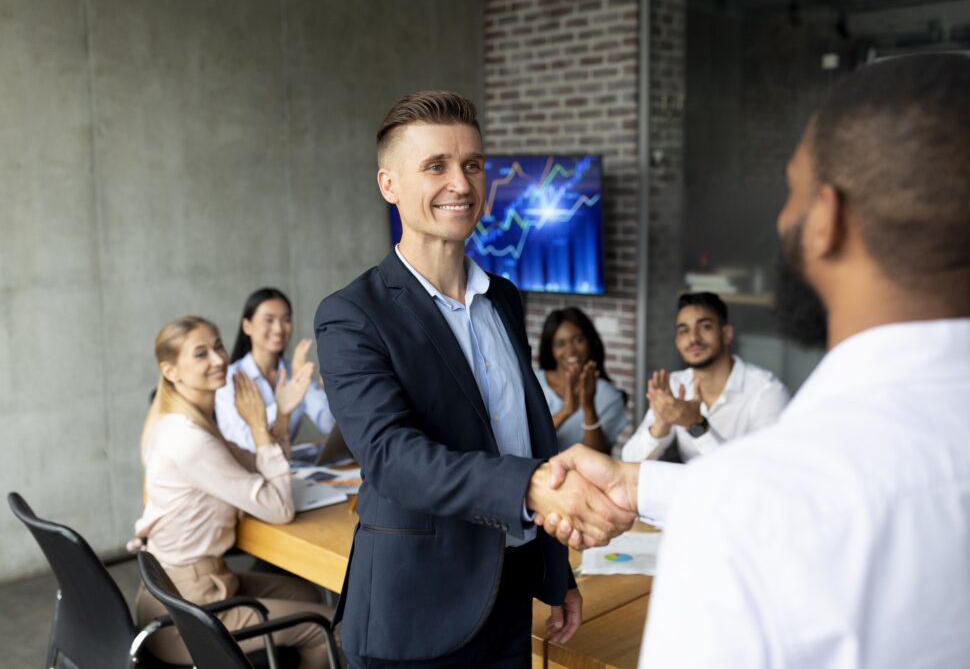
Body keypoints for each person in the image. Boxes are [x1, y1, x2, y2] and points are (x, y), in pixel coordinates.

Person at [541, 54, 970, 668]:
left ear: (828, 220)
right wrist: (640, 484)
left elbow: (770, 504)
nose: (781, 218)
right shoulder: (755, 498)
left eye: (792, 191)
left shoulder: (747, 508)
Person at [314, 90, 633, 667]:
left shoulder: (504, 298)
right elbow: (391, 457)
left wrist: (556, 572)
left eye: (472, 164)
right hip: (414, 615)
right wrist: (531, 486)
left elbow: (524, 436)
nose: (460, 183)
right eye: (435, 166)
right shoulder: (352, 314)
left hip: (507, 599)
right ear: (389, 184)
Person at [133, 316, 333, 668]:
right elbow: (279, 508)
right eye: (201, 354)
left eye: (218, 346)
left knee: (306, 593)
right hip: (189, 611)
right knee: (328, 627)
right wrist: (257, 426)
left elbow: (256, 464)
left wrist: (280, 417)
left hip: (193, 584)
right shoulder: (190, 440)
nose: (218, 360)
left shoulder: (188, 422)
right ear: (171, 371)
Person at [620, 291, 789, 462]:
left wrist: (697, 426)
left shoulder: (766, 391)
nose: (693, 338)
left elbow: (763, 472)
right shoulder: (675, 386)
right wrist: (661, 425)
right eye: (683, 330)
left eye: (705, 326)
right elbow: (629, 460)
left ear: (726, 334)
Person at [215, 287, 335, 452]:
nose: (279, 329)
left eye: (286, 320)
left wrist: (312, 387)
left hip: (286, 467)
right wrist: (282, 406)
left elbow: (330, 424)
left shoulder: (293, 370)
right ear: (247, 326)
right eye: (269, 320)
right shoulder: (229, 378)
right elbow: (246, 443)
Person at [535, 307, 628, 453]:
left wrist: (589, 407)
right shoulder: (533, 383)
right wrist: (566, 411)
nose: (571, 350)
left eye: (578, 340)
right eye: (560, 344)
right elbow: (527, 441)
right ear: (550, 349)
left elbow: (599, 456)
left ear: (590, 342)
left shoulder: (610, 396)